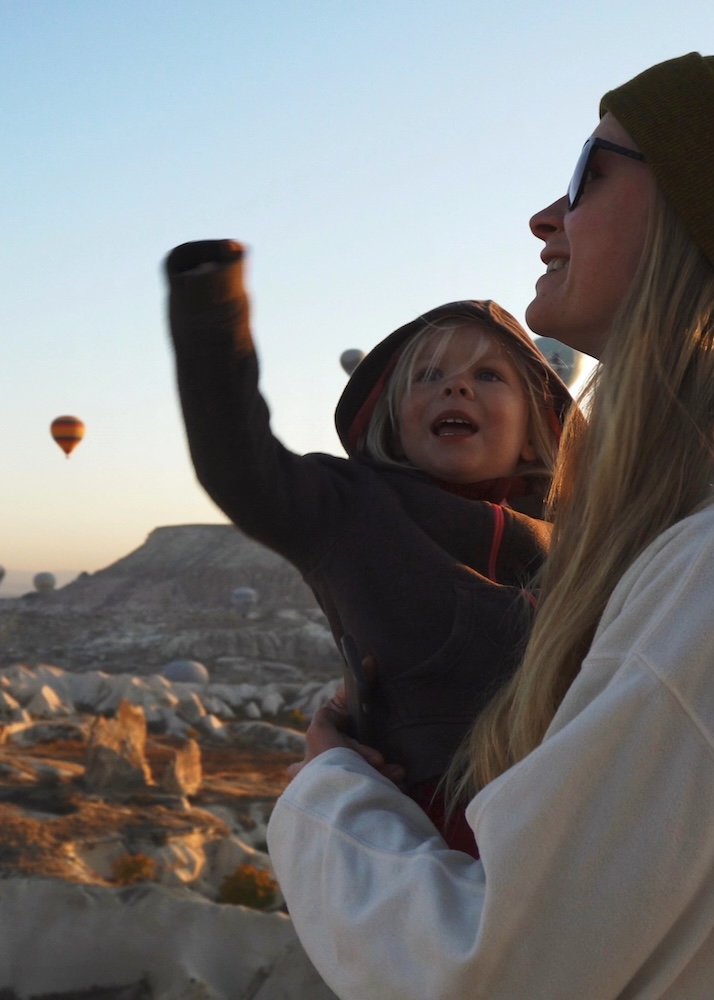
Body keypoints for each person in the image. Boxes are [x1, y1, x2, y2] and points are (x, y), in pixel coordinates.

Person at [266, 36, 714, 998]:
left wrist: (330, 791)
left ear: (701, 212)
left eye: (587, 175)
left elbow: (489, 968)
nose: (544, 219)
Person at [165, 243, 572, 853]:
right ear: (393, 420)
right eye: (427, 376)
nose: (455, 387)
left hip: (577, 812)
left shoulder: (581, 539)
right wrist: (213, 307)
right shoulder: (353, 508)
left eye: (487, 375)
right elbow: (238, 465)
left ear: (535, 429)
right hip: (433, 826)